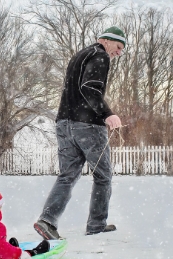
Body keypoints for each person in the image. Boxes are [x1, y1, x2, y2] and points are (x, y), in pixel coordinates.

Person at [34, 26, 125, 239]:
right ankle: (97, 225)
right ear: (106, 40)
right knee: (103, 176)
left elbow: (77, 88)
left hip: (64, 123)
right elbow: (90, 88)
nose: (118, 53)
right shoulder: (100, 55)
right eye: (118, 47)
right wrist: (107, 114)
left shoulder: (80, 55)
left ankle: (47, 221)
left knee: (67, 175)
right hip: (87, 125)